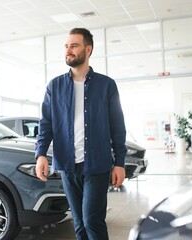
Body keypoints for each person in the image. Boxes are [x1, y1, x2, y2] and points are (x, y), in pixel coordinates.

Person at [35, 28, 127, 240]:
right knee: (79, 224)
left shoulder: (106, 85)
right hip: (68, 165)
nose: (69, 50)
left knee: (92, 220)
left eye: (74, 45)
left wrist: (120, 162)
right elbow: (46, 123)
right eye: (66, 46)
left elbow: (117, 127)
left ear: (88, 49)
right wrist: (40, 154)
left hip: (97, 165)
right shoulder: (54, 86)